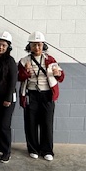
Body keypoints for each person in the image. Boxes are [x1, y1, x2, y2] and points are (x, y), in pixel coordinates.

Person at [18, 31, 65, 161]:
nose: (37, 48)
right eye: (34, 45)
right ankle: (33, 149)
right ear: (29, 46)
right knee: (31, 123)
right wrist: (26, 72)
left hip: (47, 95)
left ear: (43, 45)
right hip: (31, 94)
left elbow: (61, 77)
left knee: (47, 123)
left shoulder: (50, 60)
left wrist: (57, 73)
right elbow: (19, 77)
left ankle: (47, 150)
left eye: (39, 45)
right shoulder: (24, 61)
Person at [0, 31, 18, 163]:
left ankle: (7, 151)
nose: (0, 47)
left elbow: (12, 81)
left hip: (7, 99)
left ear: (8, 47)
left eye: (4, 45)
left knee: (4, 125)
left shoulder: (10, 61)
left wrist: (8, 99)